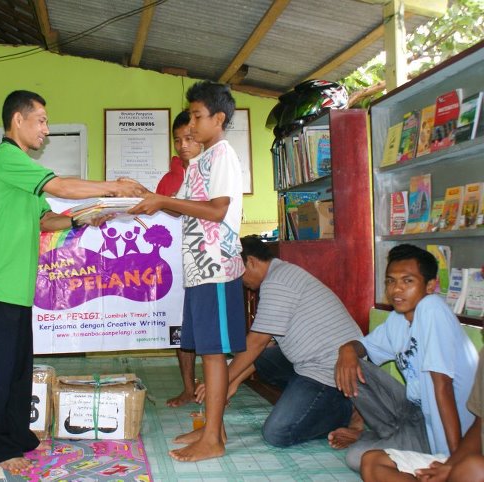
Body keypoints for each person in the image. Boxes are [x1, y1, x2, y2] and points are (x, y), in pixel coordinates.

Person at [0, 90, 146, 474]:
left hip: (14, 287)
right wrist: (113, 187)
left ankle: (16, 434)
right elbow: (61, 186)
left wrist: (84, 219)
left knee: (17, 370)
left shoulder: (22, 172)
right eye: (42, 120)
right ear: (18, 120)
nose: (46, 130)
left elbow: (46, 221)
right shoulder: (4, 158)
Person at [130, 80, 246, 462]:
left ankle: (212, 438)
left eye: (197, 117)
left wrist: (163, 199)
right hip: (199, 269)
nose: (191, 126)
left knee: (213, 355)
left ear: (219, 118)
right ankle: (214, 430)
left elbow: (216, 210)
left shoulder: (224, 155)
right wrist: (151, 197)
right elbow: (188, 207)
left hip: (216, 267)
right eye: (191, 116)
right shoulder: (201, 160)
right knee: (206, 352)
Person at [197, 235, 364, 448]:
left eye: (236, 274)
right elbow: (265, 346)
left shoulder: (277, 282)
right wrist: (234, 381)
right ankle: (305, 398)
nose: (240, 283)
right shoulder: (281, 274)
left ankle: (346, 409)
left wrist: (219, 383)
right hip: (310, 364)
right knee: (266, 357)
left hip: (331, 373)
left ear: (251, 262)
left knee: (276, 433)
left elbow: (257, 341)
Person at [330, 244, 478, 473]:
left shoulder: (432, 309)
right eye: (390, 281)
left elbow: (443, 387)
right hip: (416, 415)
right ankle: (373, 434)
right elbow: (362, 349)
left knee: (357, 458)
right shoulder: (397, 320)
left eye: (407, 281)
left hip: (454, 431)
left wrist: (454, 463)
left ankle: (419, 451)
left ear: (430, 285)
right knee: (351, 364)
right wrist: (346, 350)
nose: (396, 289)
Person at [360, 347, 484, 482]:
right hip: (470, 465)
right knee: (373, 462)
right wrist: (450, 466)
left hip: (476, 468)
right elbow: (479, 426)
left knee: (474, 469)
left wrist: (459, 469)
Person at [157, 110, 205, 408]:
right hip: (176, 267)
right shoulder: (169, 179)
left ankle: (216, 388)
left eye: (189, 138)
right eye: (177, 140)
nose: (183, 145)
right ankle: (189, 388)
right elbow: (160, 218)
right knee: (181, 328)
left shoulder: (215, 170)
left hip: (206, 263)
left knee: (209, 331)